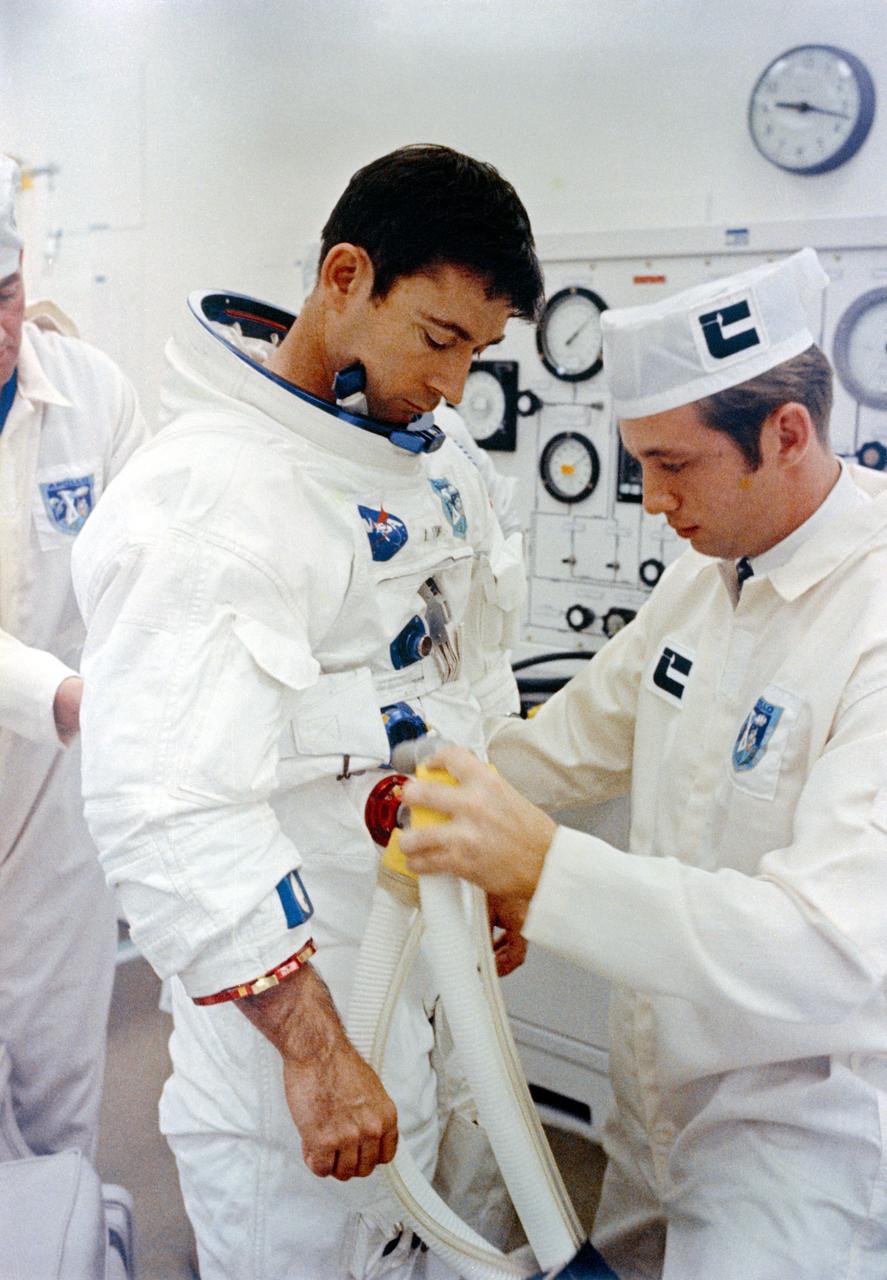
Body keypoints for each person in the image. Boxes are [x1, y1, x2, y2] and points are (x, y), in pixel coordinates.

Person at [71, 144, 544, 1280]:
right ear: (344, 276)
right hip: (297, 1046)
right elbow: (165, 804)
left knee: (449, 1241)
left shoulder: (441, 466)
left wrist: (490, 858)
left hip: (431, 991)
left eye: (477, 353)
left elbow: (471, 681)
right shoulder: (207, 497)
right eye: (437, 339)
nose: (453, 384)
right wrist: (314, 1048)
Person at [400, 248, 887, 1280]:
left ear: (785, 434)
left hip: (800, 1139)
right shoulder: (705, 571)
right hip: (652, 1097)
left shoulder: (871, 612)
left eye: (672, 464)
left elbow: (829, 945)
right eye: (639, 464)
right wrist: (426, 785)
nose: (650, 499)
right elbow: (575, 738)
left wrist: (540, 868)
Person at [0, 155, 147, 1162]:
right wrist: (59, 689)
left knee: (59, 1081)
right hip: (64, 715)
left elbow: (153, 564)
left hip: (59, 807)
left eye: (3, 295)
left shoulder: (94, 398)